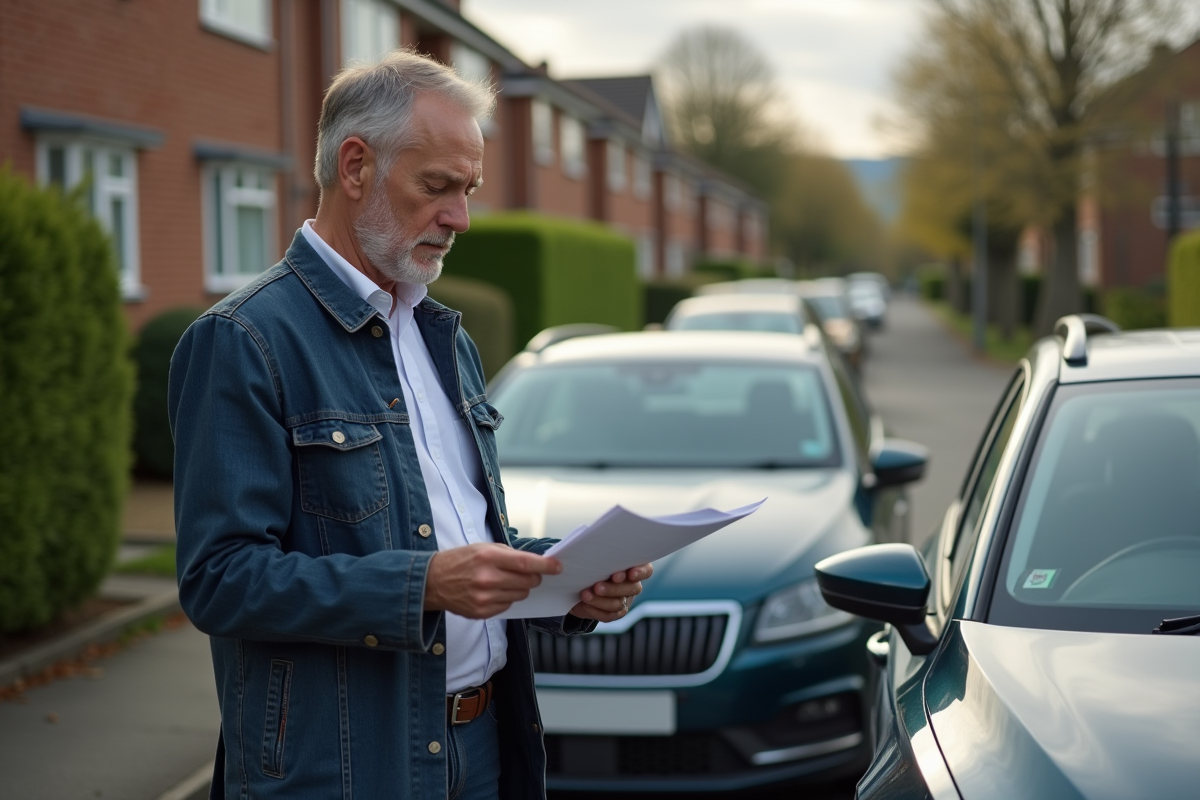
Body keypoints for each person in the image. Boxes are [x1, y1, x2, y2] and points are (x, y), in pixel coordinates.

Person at [169, 49, 652, 800]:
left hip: (487, 744)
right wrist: (423, 585)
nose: (460, 217)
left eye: (469, 190)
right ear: (355, 166)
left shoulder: (441, 336)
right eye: (437, 187)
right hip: (346, 767)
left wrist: (564, 577)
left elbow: (456, 542)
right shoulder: (245, 340)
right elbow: (220, 581)